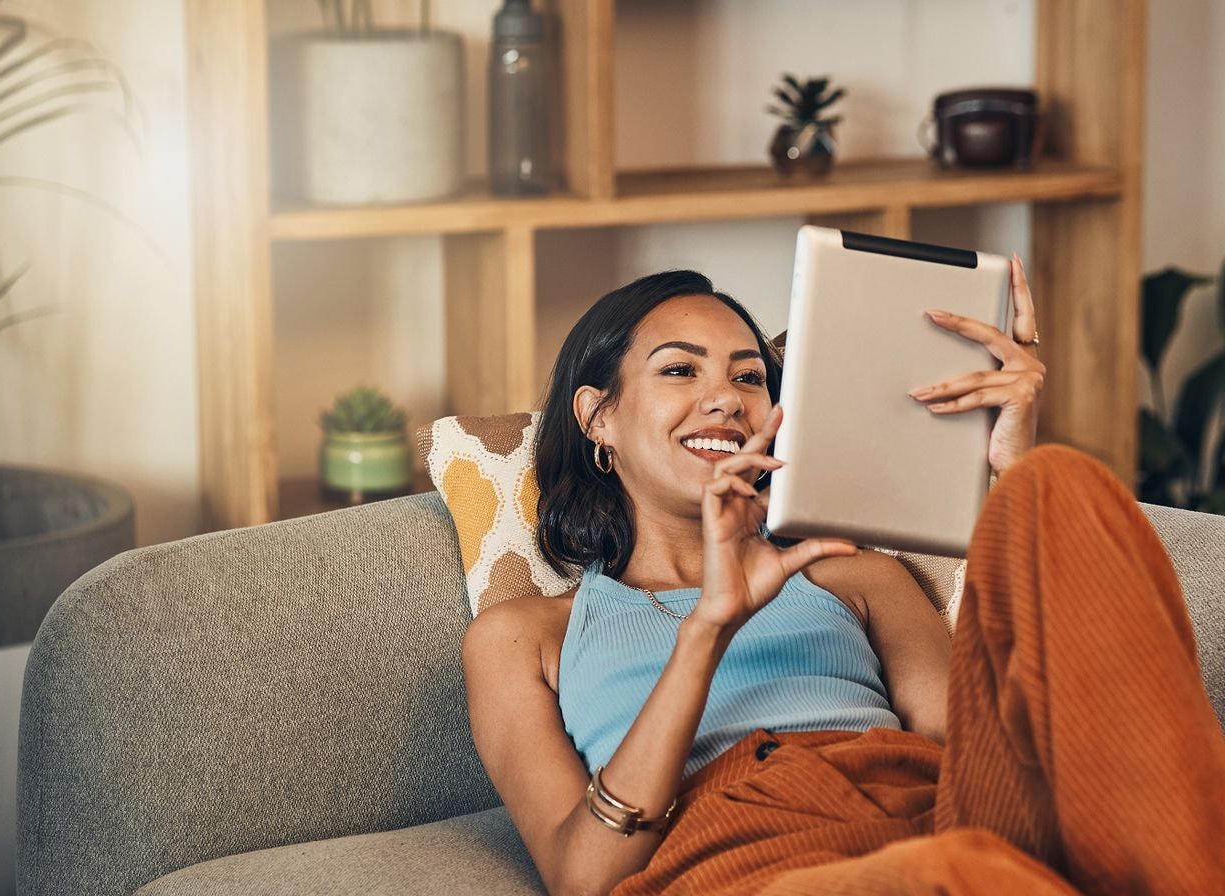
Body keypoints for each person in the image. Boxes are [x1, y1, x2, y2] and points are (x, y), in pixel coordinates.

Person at [462, 265, 1225, 896]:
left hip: (930, 812)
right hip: (744, 860)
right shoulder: (526, 636)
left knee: (1060, 482)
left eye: (750, 376)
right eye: (679, 369)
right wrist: (710, 627)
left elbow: (982, 746)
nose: (726, 397)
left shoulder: (853, 573)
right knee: (951, 873)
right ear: (598, 417)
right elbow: (583, 879)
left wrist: (1007, 470)